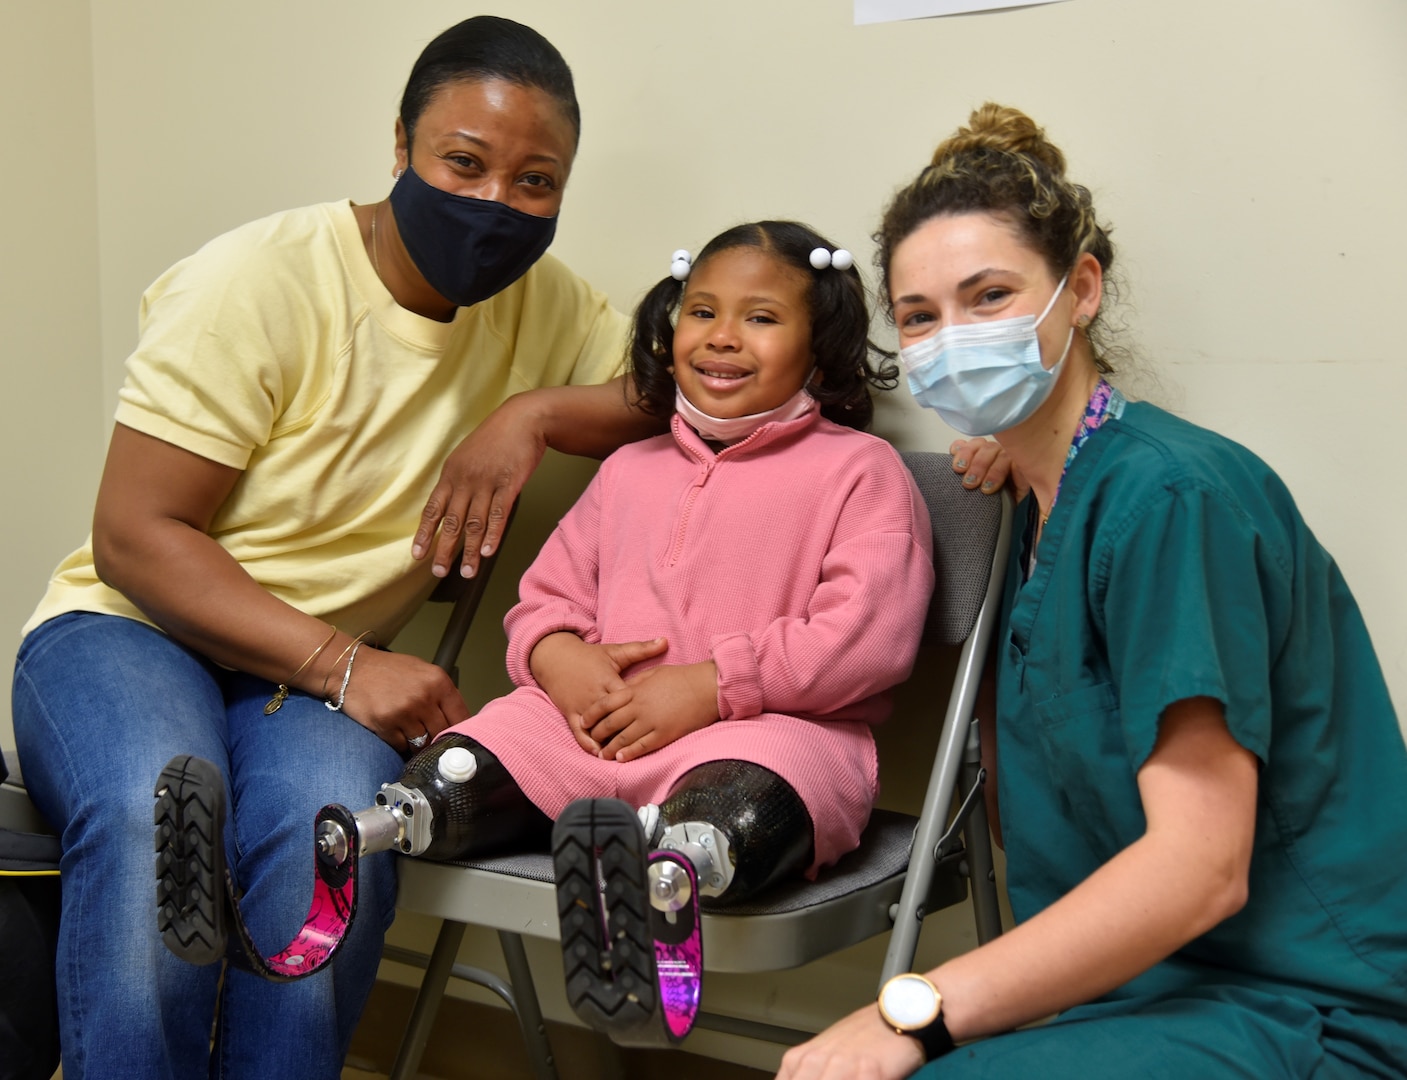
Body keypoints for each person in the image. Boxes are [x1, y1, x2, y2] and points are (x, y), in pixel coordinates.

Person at [9, 17, 666, 1080]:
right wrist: (347, 664)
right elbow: (135, 536)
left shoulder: (543, 307)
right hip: (130, 635)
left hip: (306, 692)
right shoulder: (257, 281)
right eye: (464, 161)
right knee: (156, 805)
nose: (496, 201)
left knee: (337, 837)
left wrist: (532, 414)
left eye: (537, 180)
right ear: (399, 145)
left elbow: (675, 386)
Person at [778, 104, 1407, 1080]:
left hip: (1310, 1010)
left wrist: (914, 1013)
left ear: (1079, 290)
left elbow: (1201, 865)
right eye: (919, 315)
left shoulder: (1170, 501)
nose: (952, 340)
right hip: (1147, 1003)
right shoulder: (1040, 502)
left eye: (989, 297)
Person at [418, 218, 933, 915]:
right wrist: (557, 656)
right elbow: (547, 597)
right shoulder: (629, 467)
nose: (722, 335)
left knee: (740, 811)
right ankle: (410, 819)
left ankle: (678, 858)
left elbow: (866, 640)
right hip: (597, 730)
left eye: (760, 317)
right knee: (454, 774)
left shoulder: (860, 471)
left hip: (771, 735)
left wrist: (714, 685)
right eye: (702, 312)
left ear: (820, 350)